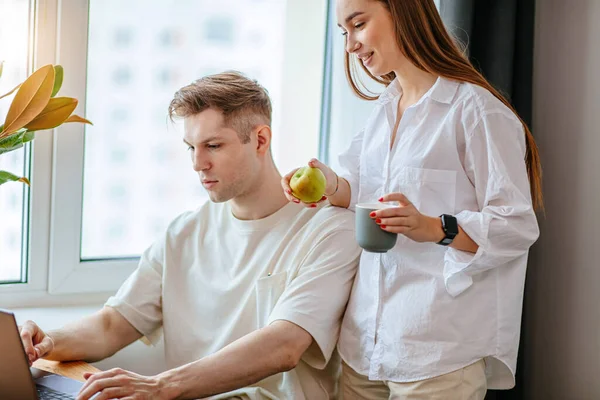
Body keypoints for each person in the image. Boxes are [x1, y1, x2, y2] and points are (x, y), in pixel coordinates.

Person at [19, 71, 361, 400]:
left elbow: (284, 346)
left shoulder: (329, 230)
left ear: (260, 140)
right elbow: (113, 325)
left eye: (212, 145)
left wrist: (159, 387)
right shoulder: (183, 233)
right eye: (190, 147)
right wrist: (47, 340)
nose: (198, 163)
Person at [282, 0, 542, 398]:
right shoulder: (384, 109)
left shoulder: (475, 112)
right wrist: (331, 185)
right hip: (364, 346)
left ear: (402, 12)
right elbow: (365, 191)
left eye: (358, 24)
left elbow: (515, 224)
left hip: (436, 353)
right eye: (343, 32)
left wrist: (432, 227)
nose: (350, 45)